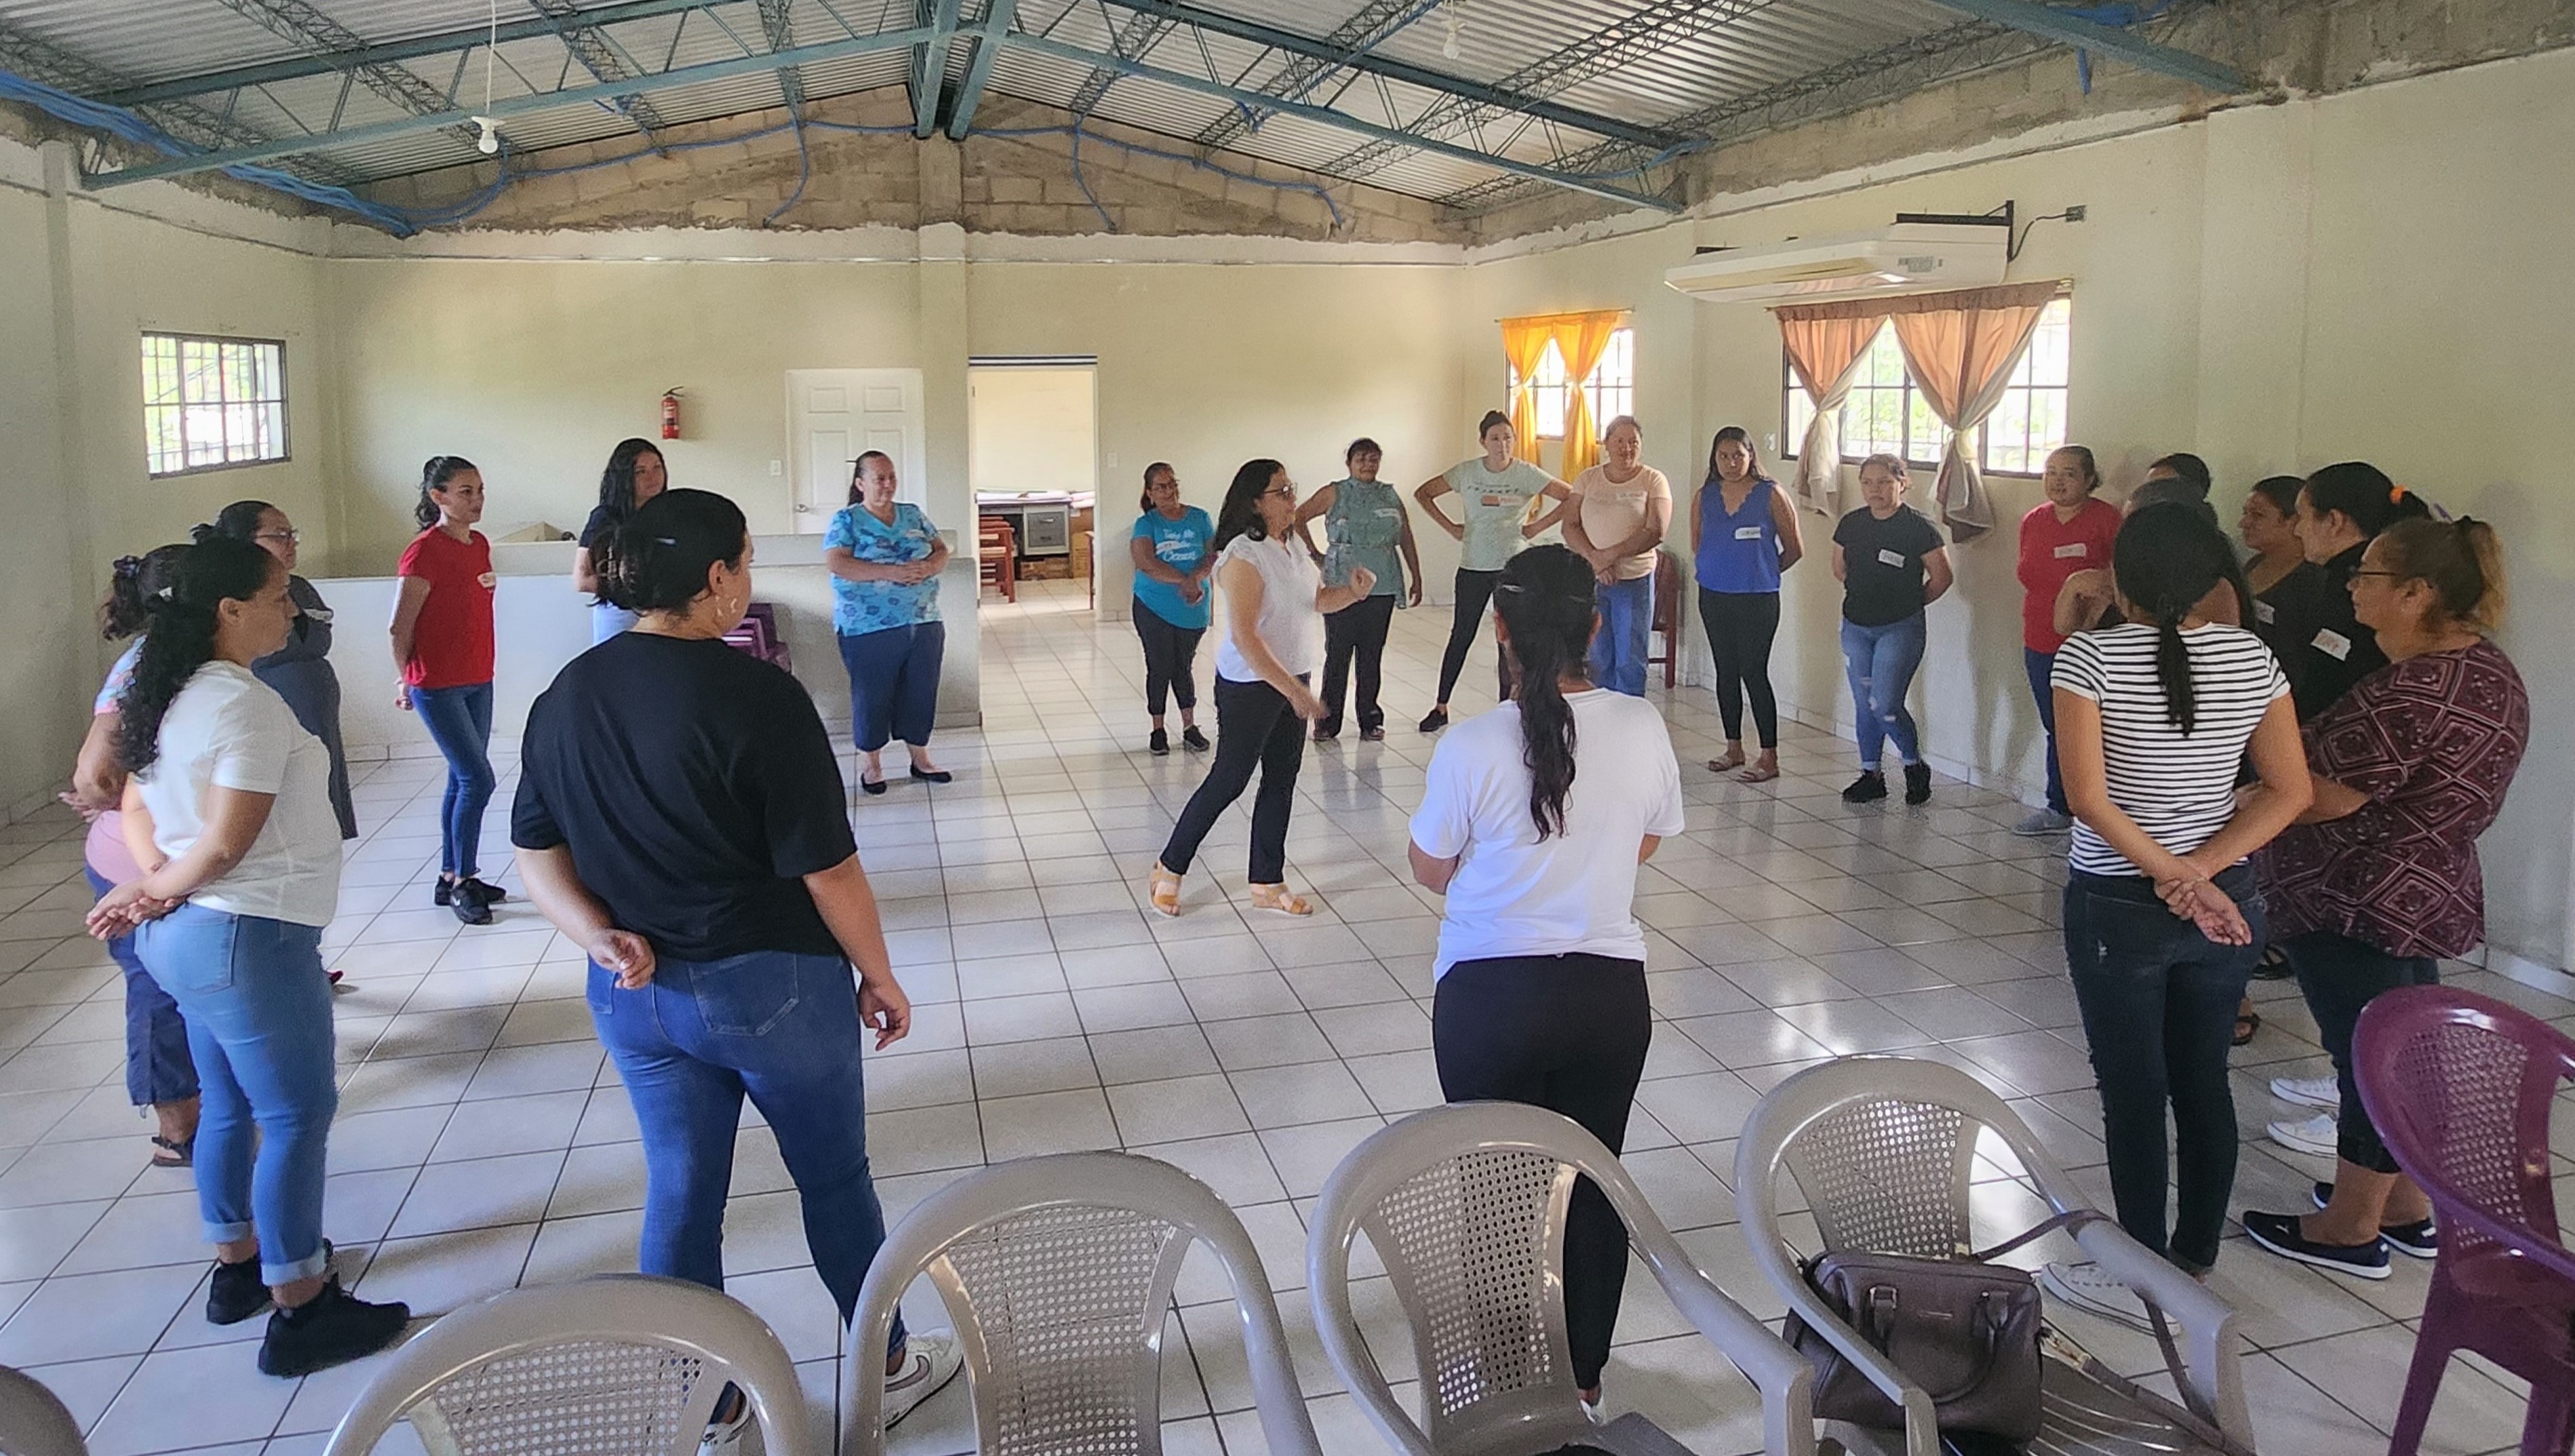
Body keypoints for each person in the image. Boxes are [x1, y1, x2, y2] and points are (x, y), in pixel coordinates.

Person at [511, 489, 963, 1422]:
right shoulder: (758, 696)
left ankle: (704, 1405)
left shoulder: (568, 692)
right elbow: (827, 868)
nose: (747, 578)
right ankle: (886, 1368)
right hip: (769, 986)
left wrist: (593, 933)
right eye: (746, 561)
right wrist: (877, 972)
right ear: (716, 578)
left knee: (680, 1190)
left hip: (634, 993)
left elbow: (534, 848)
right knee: (833, 1179)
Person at [87, 535, 411, 1376]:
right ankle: (302, 1308)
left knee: (229, 1103)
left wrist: (154, 885)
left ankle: (237, 1267)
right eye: (277, 597)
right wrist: (157, 888)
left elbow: (136, 808)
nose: (291, 611)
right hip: (248, 937)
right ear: (230, 610)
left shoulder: (168, 687)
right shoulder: (241, 704)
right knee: (297, 1116)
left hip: (193, 938)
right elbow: (227, 844)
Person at [1407, 543, 1685, 1411]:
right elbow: (1646, 837)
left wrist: (1501, 866)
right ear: (1593, 628)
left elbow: (1429, 866)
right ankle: (1586, 1375)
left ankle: (1506, 1382)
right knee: (1593, 1183)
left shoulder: (1469, 743)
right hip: (1607, 998)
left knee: (1496, 1196)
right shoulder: (1640, 723)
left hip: (1490, 1002)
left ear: (1500, 629)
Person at [2037, 503, 2309, 1329]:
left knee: (2132, 1089)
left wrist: (2173, 876)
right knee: (2201, 1078)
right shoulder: (2251, 653)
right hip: (2226, 900)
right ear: (2209, 578)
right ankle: (2193, 1259)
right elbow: (2289, 790)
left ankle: (2139, 1270)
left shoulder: (2088, 655)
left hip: (2119, 900)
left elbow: (2087, 800)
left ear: (2120, 576)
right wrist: (2203, 873)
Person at [2242, 517, 2527, 1280]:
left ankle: (2347, 1228)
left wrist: (2226, 808)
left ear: (2415, 592)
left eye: (2366, 574)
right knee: (2408, 1054)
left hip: (2357, 896)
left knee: (2368, 1061)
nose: (2350, 584)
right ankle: (2403, 1204)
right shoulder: (2485, 668)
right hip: (2421, 889)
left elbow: (2320, 795)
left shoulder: (2411, 689)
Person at [1147, 460, 1377, 918]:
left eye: (1291, 488)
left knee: (1281, 779)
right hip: (1250, 684)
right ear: (1255, 502)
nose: (1293, 498)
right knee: (1229, 779)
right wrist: (1293, 691)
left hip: (1294, 676)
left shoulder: (1292, 547)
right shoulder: (1242, 556)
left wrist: (1354, 593)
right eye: (1281, 491)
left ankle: (1267, 881)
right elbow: (1246, 638)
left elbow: (1316, 600)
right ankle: (1169, 866)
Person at [66, 548, 199, 1169]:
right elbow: (94, 775)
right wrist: (127, 795)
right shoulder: (145, 666)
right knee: (156, 990)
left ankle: (209, 1106)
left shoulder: (197, 660)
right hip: (136, 865)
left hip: (177, 861)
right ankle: (178, 1126)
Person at [202, 502, 357, 842]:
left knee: (322, 791)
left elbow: (319, 636)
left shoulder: (298, 586)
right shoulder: (233, 598)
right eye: (279, 535)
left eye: (292, 534)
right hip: (276, 695)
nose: (291, 543)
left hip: (314, 700)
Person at [391, 456, 503, 926]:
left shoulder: (479, 545)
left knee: (461, 778)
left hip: (478, 677)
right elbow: (400, 626)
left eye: (479, 490)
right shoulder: (423, 552)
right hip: (437, 684)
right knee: (478, 779)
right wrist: (405, 677)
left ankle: (449, 872)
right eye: (465, 492)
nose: (477, 500)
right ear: (438, 497)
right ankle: (464, 879)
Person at [1412, 412, 1574, 732]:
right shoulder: (1467, 472)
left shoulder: (1525, 473)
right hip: (1474, 565)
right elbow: (1423, 493)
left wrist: (1536, 527)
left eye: (1508, 438)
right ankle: (1441, 706)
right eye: (1496, 439)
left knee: (1509, 640)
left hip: (1513, 567)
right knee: (1462, 635)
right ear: (1483, 441)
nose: (1502, 445)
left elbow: (1570, 496)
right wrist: (1451, 527)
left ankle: (1507, 707)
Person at [825, 451, 951, 793]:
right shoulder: (847, 520)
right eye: (879, 478)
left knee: (921, 690)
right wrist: (891, 573)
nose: (887, 484)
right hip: (868, 626)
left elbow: (941, 549)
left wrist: (930, 566)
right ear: (860, 483)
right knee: (872, 695)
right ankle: (872, 765)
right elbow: (837, 563)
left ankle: (920, 759)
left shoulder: (912, 514)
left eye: (891, 477)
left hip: (924, 620)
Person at [1830, 454, 1951, 805]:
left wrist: (1908, 604)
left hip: (1899, 628)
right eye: (1867, 483)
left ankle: (1913, 765)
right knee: (1864, 704)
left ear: (1902, 483)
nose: (1875, 490)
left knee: (1884, 704)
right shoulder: (1852, 523)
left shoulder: (1917, 527)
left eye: (1884, 482)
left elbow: (1942, 577)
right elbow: (1839, 569)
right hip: (1857, 626)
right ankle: (1871, 774)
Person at [2011, 446, 2119, 837]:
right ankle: (2059, 806)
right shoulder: (2034, 520)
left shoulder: (2106, 519)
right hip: (2040, 636)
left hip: (2090, 641)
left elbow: (2120, 578)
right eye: (2051, 471)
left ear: (2089, 480)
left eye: (2069, 473)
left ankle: (2098, 811)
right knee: (2056, 725)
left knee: (2091, 729)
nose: (2057, 481)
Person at [1691, 427, 1803, 783]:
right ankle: (1733, 747)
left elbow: (1794, 548)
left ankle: (1769, 756)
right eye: (1723, 456)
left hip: (1758, 598)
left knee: (1753, 671)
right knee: (1725, 670)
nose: (1731, 463)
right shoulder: (1705, 495)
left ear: (1751, 456)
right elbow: (1698, 543)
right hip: (1714, 594)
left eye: (1738, 455)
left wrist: (1762, 570)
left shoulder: (1771, 494)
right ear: (1715, 459)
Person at [1293, 438, 1423, 741]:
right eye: (1361, 459)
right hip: (1342, 581)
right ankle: (1328, 721)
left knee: (1371, 654)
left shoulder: (1389, 494)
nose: (1368, 464)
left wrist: (1416, 574)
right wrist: (1315, 554)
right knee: (1338, 653)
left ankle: (1370, 719)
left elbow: (1405, 534)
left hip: (1383, 582)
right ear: (1349, 463)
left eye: (1374, 459)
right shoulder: (1335, 492)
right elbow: (1299, 517)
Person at [2286, 461, 2429, 720]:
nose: (2297, 530)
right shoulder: (2340, 578)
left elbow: (2332, 683)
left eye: (2302, 516)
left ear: (2334, 521)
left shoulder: (2355, 587)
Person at [1555, 416, 1671, 698]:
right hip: (1592, 580)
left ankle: (1629, 717)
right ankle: (1601, 714)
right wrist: (1594, 561)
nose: (1626, 448)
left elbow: (1655, 531)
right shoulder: (1588, 478)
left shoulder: (1653, 480)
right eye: (1619, 441)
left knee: (1630, 661)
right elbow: (1570, 526)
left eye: (1633, 442)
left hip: (1632, 582)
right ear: (1606, 444)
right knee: (1598, 659)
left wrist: (1608, 557)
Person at [1129, 462, 1215, 756]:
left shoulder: (1200, 517)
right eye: (1161, 487)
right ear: (1150, 493)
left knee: (1183, 666)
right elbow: (1145, 562)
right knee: (1160, 665)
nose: (1169, 492)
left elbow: (1213, 554)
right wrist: (1184, 580)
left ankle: (1190, 727)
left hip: (1193, 606)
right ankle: (1158, 729)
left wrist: (1196, 579)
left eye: (1172, 484)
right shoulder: (1147, 524)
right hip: (1153, 605)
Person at [2237, 474, 2331, 705]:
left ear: (2294, 521)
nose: (2244, 523)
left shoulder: (2313, 580)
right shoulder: (2254, 564)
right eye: (2245, 513)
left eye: (2257, 515)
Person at [572, 438, 669, 643]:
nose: (652, 477)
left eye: (657, 468)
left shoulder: (669, 514)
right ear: (624, 477)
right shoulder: (605, 517)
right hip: (620, 616)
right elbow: (581, 580)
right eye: (641, 472)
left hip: (663, 617)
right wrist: (632, 589)